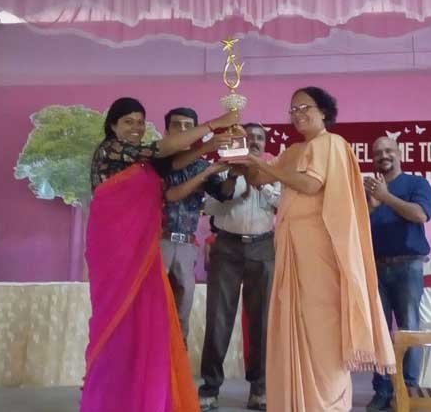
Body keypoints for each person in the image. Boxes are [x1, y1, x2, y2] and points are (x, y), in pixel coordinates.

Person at [227, 87, 395, 412]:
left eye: (305, 107)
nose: (298, 114)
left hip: (321, 250)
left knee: (322, 331)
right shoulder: (293, 151)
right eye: (293, 109)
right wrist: (240, 151)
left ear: (324, 111)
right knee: (296, 325)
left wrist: (263, 165)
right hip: (292, 250)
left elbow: (309, 184)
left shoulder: (332, 143)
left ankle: (327, 404)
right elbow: (259, 178)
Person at [81, 97, 236, 412]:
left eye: (140, 122)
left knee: (150, 320)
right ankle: (113, 398)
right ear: (112, 126)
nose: (136, 127)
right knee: (118, 318)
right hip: (115, 248)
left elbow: (172, 165)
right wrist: (213, 125)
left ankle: (144, 394)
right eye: (128, 121)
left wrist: (210, 147)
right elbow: (161, 151)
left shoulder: (139, 160)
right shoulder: (111, 150)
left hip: (144, 250)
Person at [198, 123, 280, 411]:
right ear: (240, 141)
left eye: (259, 138)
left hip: (263, 246)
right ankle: (210, 388)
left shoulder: (275, 170)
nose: (254, 142)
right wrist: (233, 183)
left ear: (264, 143)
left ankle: (259, 389)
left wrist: (262, 184)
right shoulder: (224, 169)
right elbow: (209, 208)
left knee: (262, 321)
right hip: (227, 247)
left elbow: (283, 203)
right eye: (249, 137)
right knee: (218, 318)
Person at [364, 136, 431, 411]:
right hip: (375, 267)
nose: (383, 155)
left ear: (399, 153)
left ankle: (408, 390)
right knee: (379, 331)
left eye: (388, 150)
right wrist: (371, 205)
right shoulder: (367, 188)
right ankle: (382, 391)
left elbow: (420, 215)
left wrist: (386, 197)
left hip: (408, 266)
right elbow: (355, 224)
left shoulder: (417, 184)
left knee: (408, 328)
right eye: (378, 152)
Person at [160, 107, 231, 343]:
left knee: (183, 311)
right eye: (176, 125)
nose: (182, 130)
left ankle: (179, 364)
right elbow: (172, 182)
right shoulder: (157, 159)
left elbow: (223, 193)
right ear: (166, 131)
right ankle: (151, 363)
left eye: (188, 126)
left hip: (187, 246)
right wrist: (206, 154)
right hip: (157, 243)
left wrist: (235, 172)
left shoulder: (201, 165)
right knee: (154, 307)